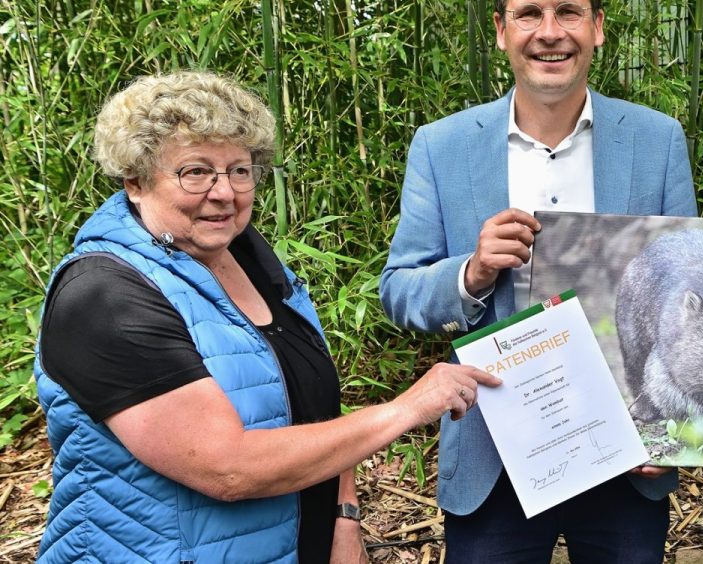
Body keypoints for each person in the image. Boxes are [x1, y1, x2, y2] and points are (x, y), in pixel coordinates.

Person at [33, 71, 497, 563]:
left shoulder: (252, 261)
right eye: (195, 171)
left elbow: (315, 405)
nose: (224, 192)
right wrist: (406, 408)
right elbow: (227, 467)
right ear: (136, 181)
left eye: (239, 170)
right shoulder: (104, 296)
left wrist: (344, 520)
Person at [377, 0, 697, 561]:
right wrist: (472, 273)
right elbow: (399, 291)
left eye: (569, 12)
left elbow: (683, 281)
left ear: (597, 28)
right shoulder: (442, 146)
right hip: (493, 451)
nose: (550, 33)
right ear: (501, 31)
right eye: (529, 14)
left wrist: (673, 428)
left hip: (624, 447)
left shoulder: (656, 140)